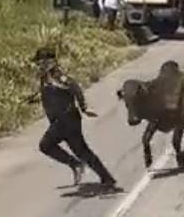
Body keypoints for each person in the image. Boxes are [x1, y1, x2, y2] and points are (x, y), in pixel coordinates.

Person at [27, 46, 118, 189]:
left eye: (41, 62)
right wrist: (36, 99)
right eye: (38, 63)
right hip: (62, 120)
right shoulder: (45, 77)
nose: (38, 65)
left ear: (50, 62)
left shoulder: (58, 75)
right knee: (81, 150)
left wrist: (84, 107)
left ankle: (75, 164)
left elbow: (74, 87)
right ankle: (107, 178)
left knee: (45, 145)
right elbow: (52, 94)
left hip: (66, 119)